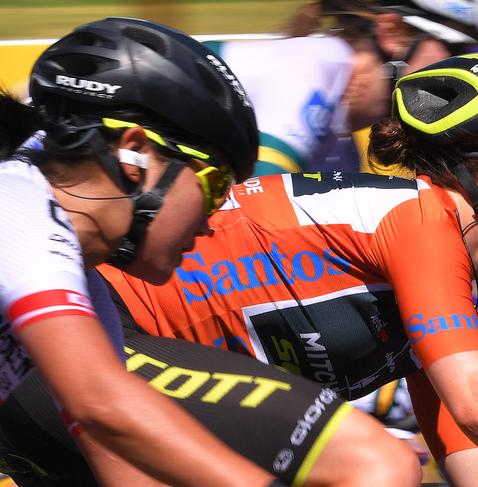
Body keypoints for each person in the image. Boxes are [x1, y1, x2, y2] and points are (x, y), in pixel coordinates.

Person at [96, 51, 478, 487]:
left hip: (119, 359)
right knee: (378, 466)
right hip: (97, 335)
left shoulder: (434, 281)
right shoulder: (420, 218)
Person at [0, 16, 420, 487]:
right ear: (134, 154)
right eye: (215, 183)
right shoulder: (18, 202)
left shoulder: (86, 283)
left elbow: (123, 460)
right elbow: (101, 404)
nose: (211, 221)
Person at [204, 0, 478, 175]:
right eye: (456, 50)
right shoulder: (315, 67)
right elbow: (253, 211)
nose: (466, 69)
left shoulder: (341, 146)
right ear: (394, 32)